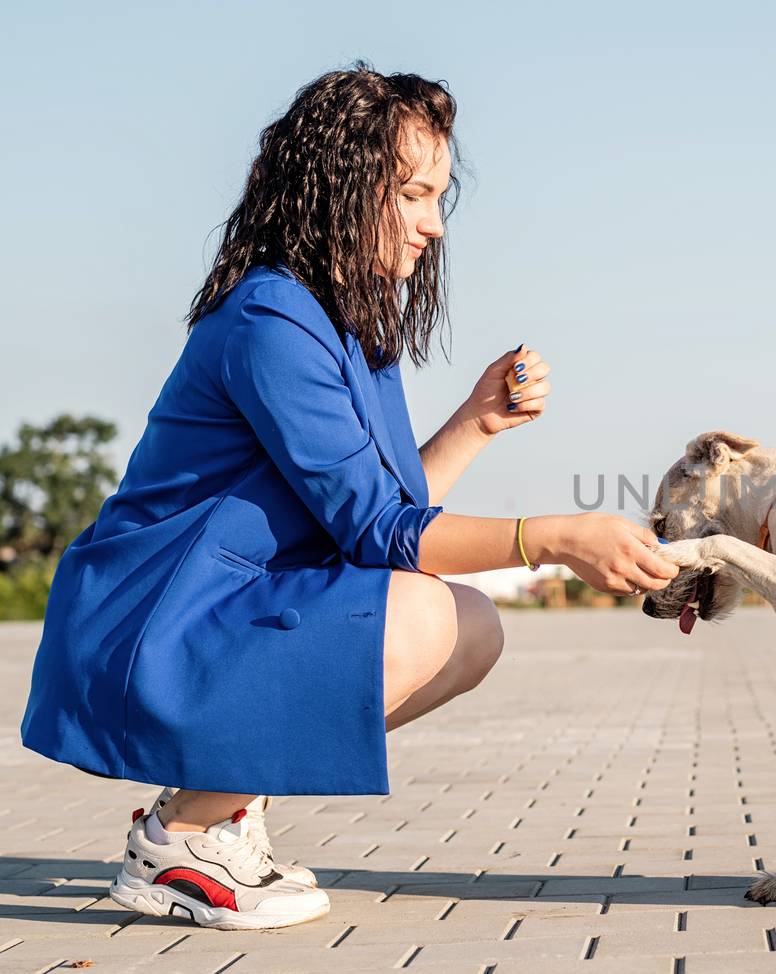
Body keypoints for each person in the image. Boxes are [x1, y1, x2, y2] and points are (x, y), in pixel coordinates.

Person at [18, 64, 679, 930]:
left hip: (219, 614)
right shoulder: (271, 320)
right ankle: (182, 839)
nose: (433, 225)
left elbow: (386, 515)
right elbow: (385, 533)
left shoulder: (348, 323)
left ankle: (221, 812)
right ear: (341, 181)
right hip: (152, 624)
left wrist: (477, 424)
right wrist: (554, 538)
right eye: (413, 193)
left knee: (471, 626)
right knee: (423, 616)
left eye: (440, 197)